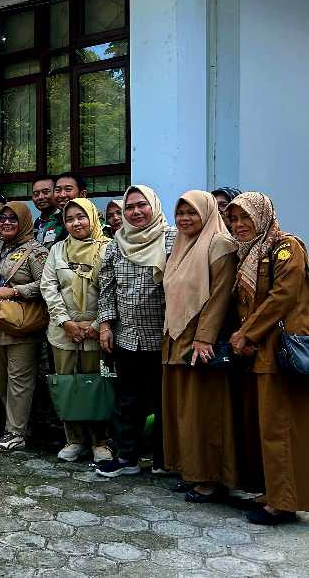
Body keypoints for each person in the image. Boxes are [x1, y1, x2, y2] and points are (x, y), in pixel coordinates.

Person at [160, 190, 249, 504]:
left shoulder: (219, 244)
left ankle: (211, 478)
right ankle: (191, 471)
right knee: (183, 411)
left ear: (207, 213)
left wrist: (204, 337)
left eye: (191, 213)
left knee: (204, 410)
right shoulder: (181, 246)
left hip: (199, 340)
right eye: (180, 213)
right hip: (176, 336)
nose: (184, 219)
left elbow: (220, 296)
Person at [228, 192, 309, 525]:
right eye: (233, 219)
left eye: (245, 217)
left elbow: (283, 296)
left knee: (281, 427)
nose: (239, 225)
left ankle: (284, 502)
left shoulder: (286, 247)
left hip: (281, 349)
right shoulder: (250, 252)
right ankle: (276, 491)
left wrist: (248, 333)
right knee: (269, 426)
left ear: (262, 215)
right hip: (264, 349)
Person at [95, 185, 176, 478]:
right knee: (127, 401)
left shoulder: (173, 239)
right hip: (127, 335)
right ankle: (126, 457)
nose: (136, 212)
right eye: (130, 208)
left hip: (164, 336)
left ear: (154, 206)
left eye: (142, 205)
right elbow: (106, 288)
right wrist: (105, 325)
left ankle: (163, 459)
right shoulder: (117, 242)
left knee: (163, 400)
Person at [40, 199, 111, 463]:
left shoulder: (108, 249)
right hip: (63, 332)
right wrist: (66, 322)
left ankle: (100, 441)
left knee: (97, 384)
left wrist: (95, 325)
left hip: (97, 330)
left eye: (81, 217)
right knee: (68, 384)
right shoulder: (57, 250)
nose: (76, 223)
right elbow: (49, 287)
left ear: (93, 217)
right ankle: (74, 439)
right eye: (70, 219)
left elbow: (111, 289)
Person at [0, 202, 49, 453]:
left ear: (24, 222)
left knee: (20, 382)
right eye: (3, 218)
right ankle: (15, 427)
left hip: (22, 327)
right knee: (2, 381)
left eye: (12, 219)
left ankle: (15, 434)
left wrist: (17, 290)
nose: (6, 222)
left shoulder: (36, 251)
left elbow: (46, 284)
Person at [32, 176, 64, 247]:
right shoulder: (35, 224)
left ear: (56, 193)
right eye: (36, 194)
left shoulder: (65, 221)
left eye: (45, 192)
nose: (40, 197)